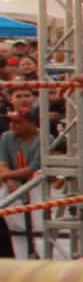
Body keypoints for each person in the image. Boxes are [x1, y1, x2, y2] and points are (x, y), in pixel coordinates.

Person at [0, 107, 40, 258]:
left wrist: (6, 176)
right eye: (11, 122)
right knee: (15, 232)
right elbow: (2, 163)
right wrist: (9, 178)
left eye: (17, 122)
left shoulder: (43, 138)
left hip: (36, 186)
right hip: (12, 186)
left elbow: (33, 168)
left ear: (31, 123)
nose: (12, 125)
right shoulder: (7, 136)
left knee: (37, 232)